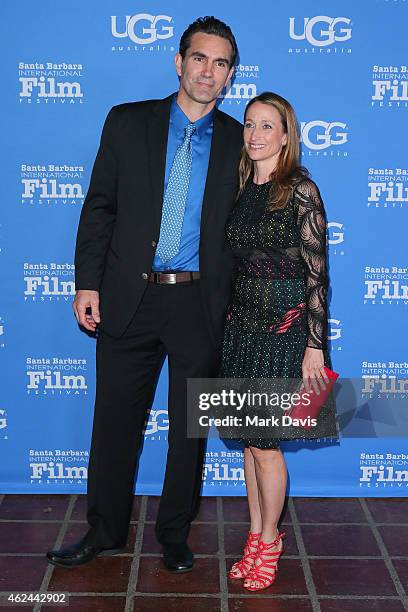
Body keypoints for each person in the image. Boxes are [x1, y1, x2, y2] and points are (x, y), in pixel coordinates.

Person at [46, 16, 242, 572]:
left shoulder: (238, 141)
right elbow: (99, 207)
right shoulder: (127, 123)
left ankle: (175, 533)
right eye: (199, 59)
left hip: (200, 304)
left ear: (230, 76)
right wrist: (86, 282)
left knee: (189, 430)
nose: (208, 71)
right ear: (178, 63)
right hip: (128, 297)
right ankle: (103, 531)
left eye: (220, 63)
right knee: (114, 423)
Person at [220, 92, 339, 590]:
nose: (255, 135)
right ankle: (254, 532)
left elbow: (317, 276)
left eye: (267, 126)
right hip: (241, 330)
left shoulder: (302, 191)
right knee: (250, 444)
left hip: (284, 332)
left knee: (267, 446)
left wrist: (316, 345)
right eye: (250, 124)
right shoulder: (243, 187)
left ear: (286, 136)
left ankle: (270, 538)